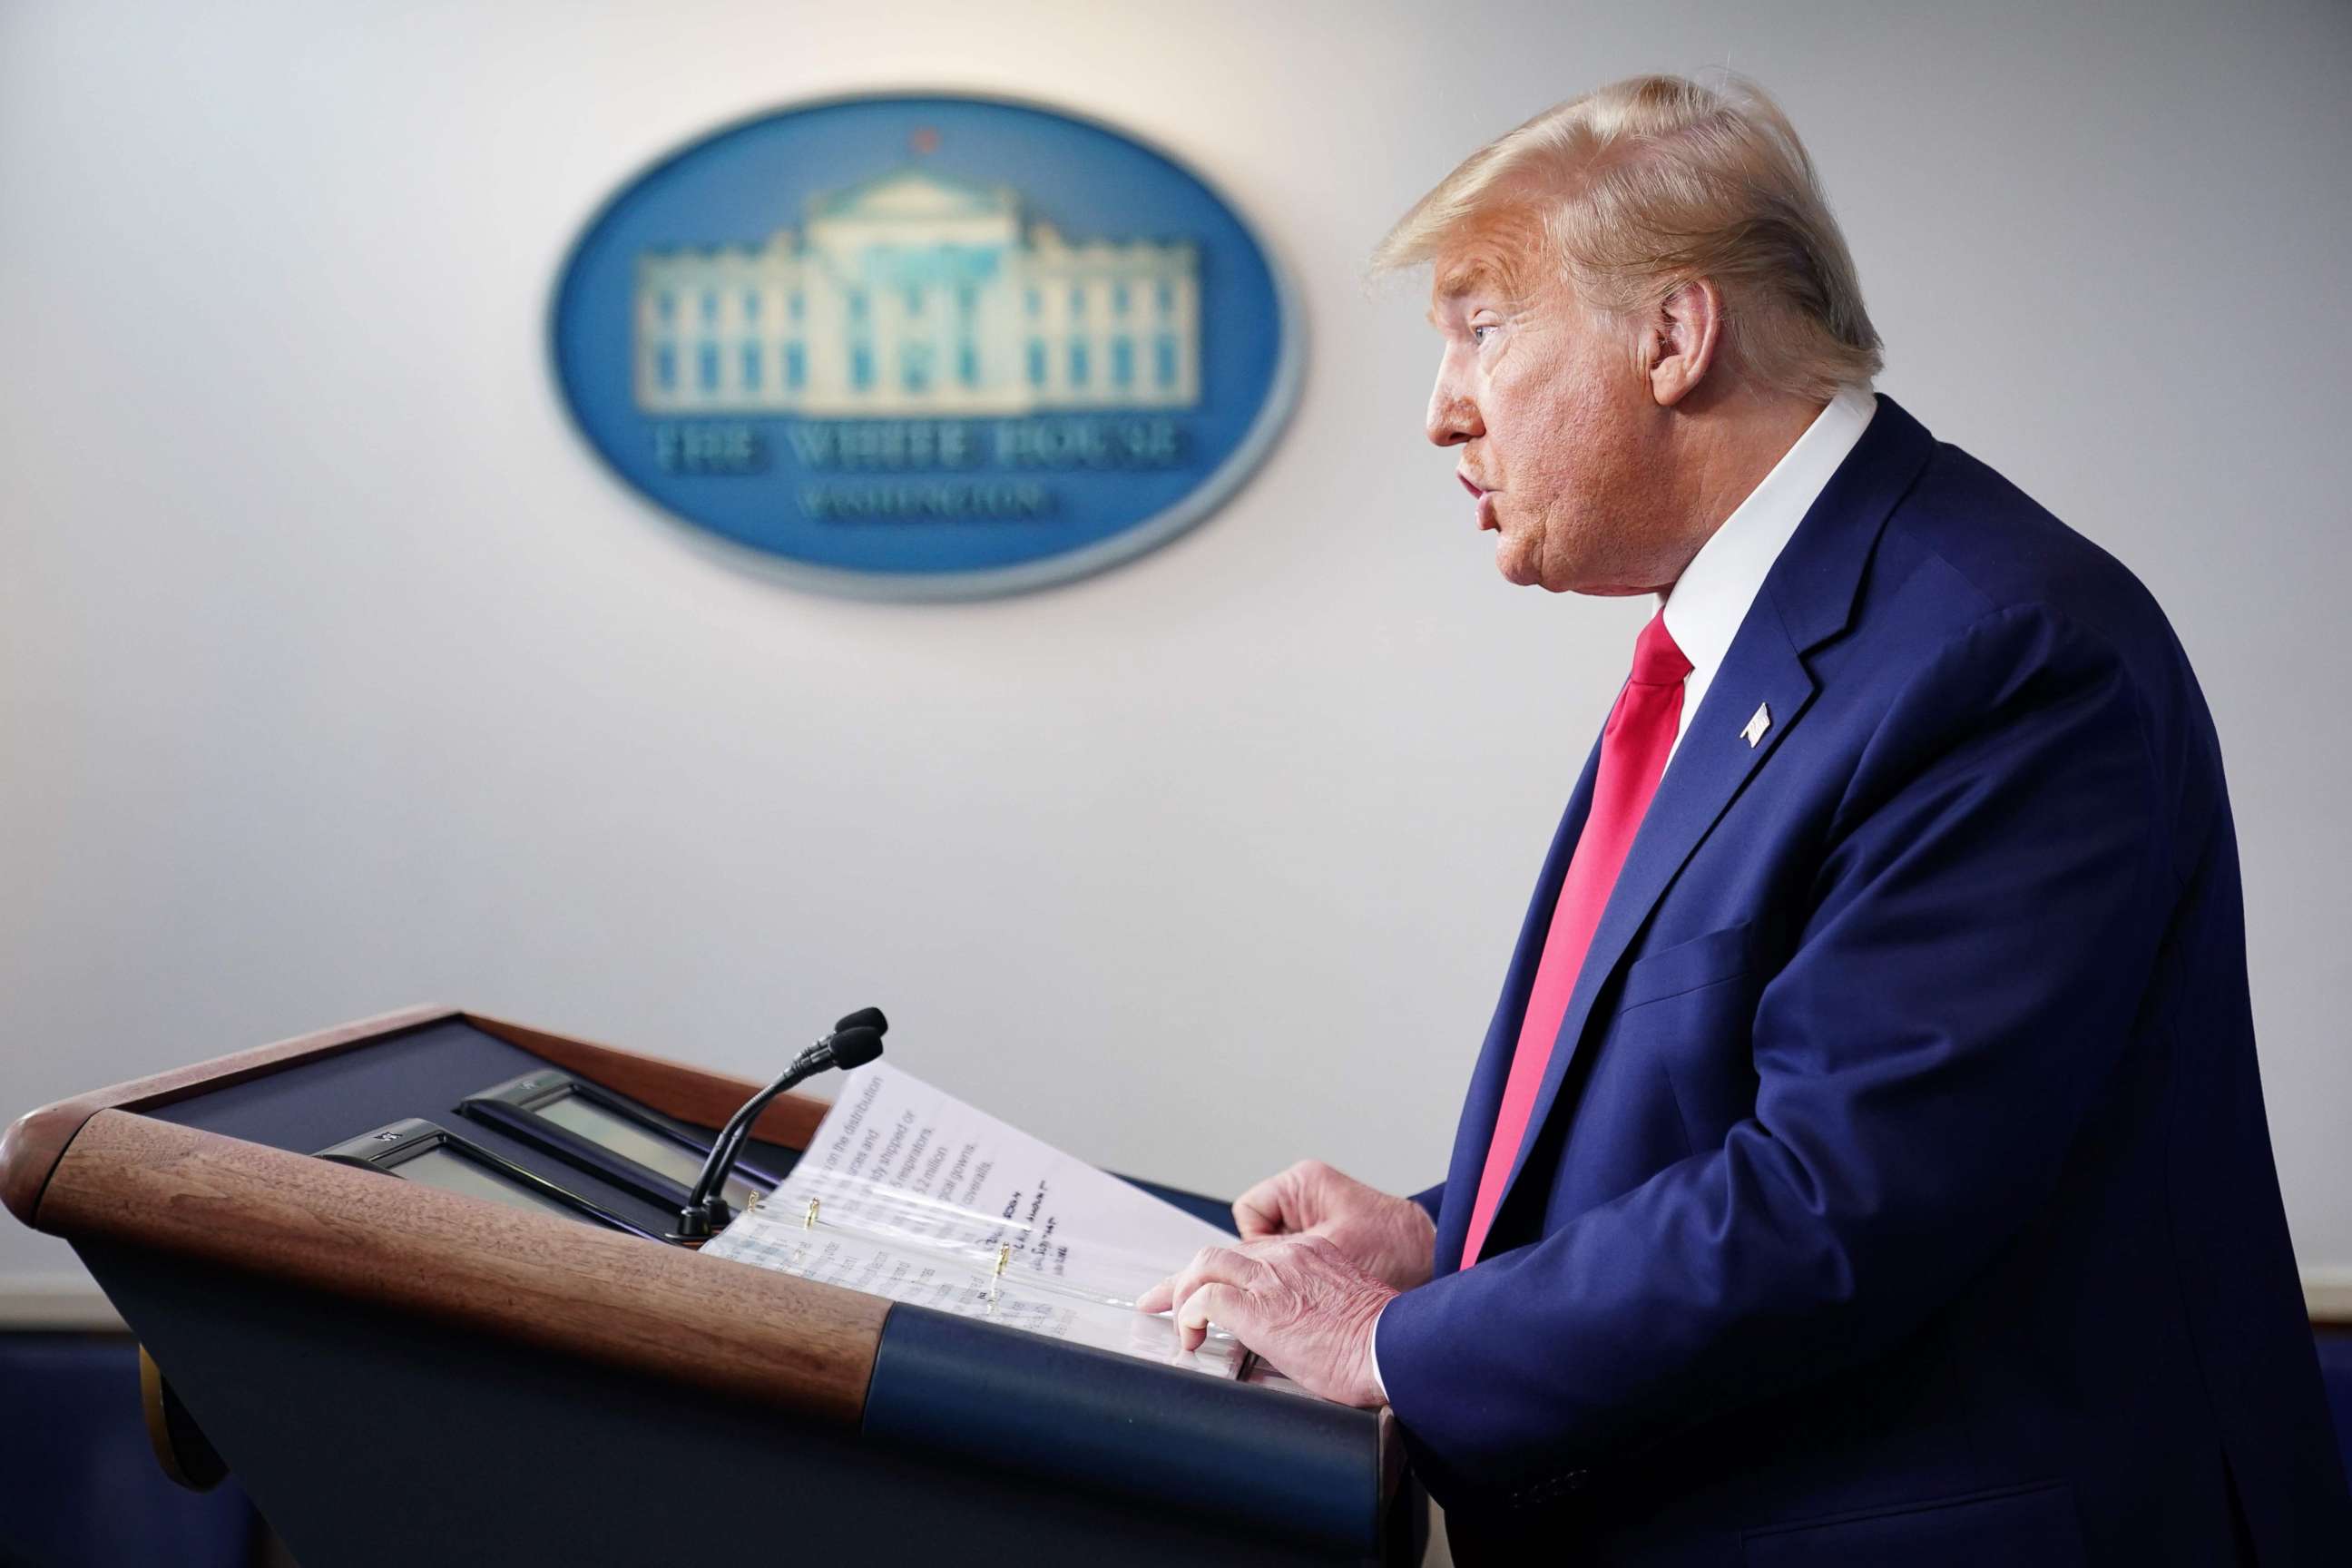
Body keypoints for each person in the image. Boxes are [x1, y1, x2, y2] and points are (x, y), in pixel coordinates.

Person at [1138, 73, 2351, 1563]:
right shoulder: (1758, 637)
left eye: (1483, 326)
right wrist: (1448, 1240)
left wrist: (1394, 1344)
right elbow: (1727, 1111)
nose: (1442, 408)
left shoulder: (2007, 649)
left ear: (1672, 333)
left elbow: (1841, 1199)